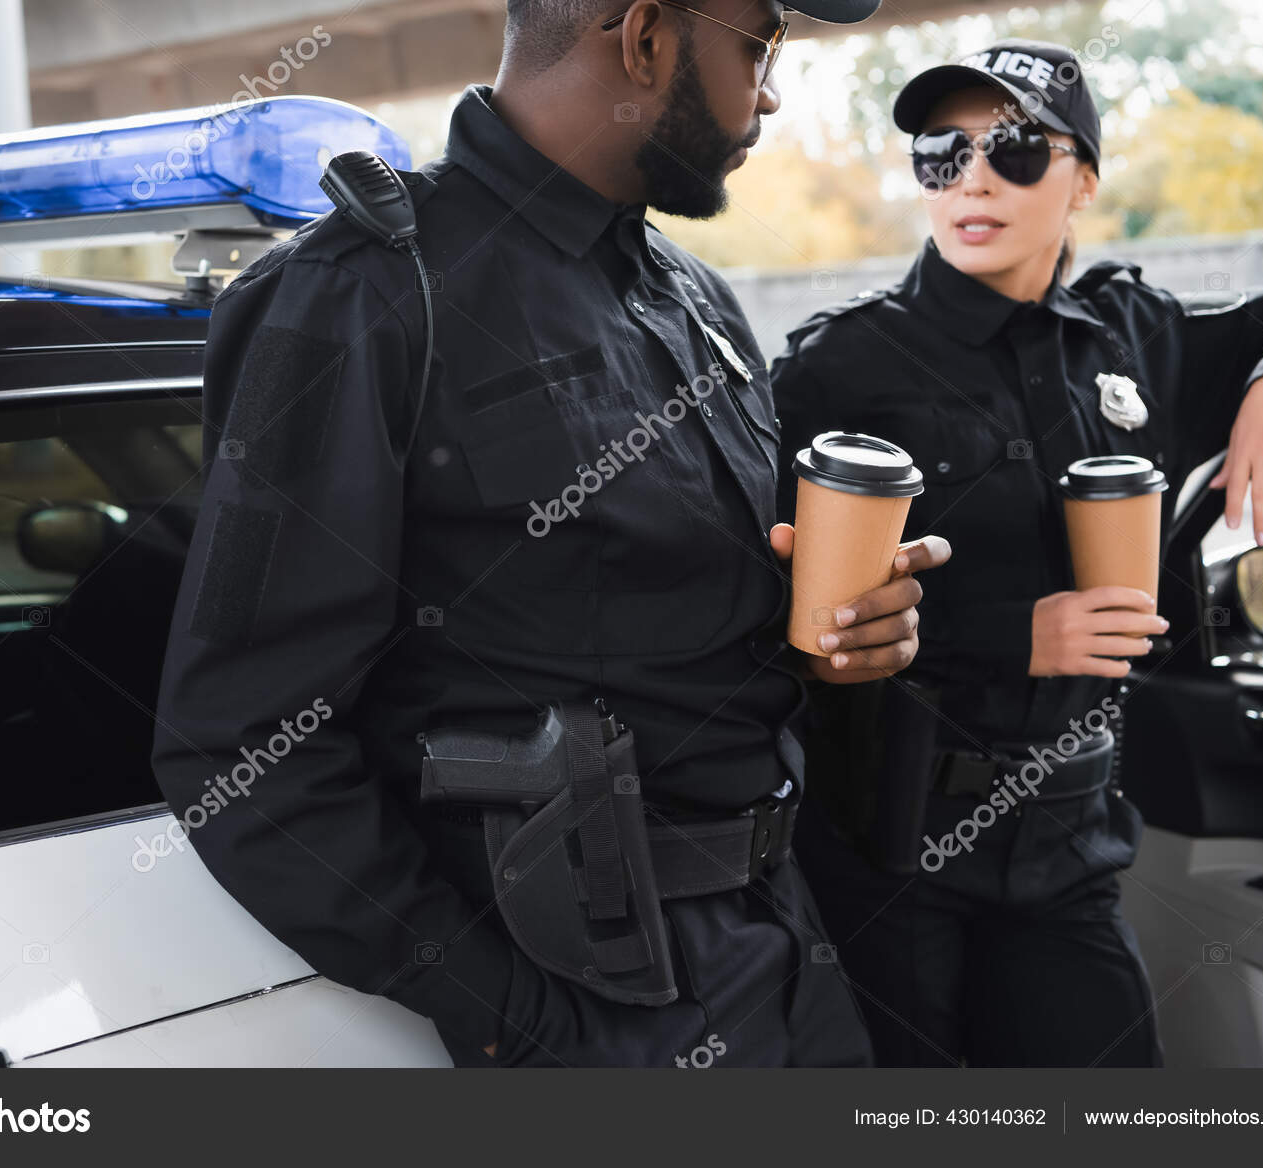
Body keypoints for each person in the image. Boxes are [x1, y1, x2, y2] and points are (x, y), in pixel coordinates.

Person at [153, 0, 951, 1068]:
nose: (769, 91)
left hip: (785, 947)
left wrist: (853, 640)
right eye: (760, 46)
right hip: (593, 999)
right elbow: (239, 744)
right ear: (645, 39)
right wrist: (513, 1019)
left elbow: (715, 634)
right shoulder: (369, 292)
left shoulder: (695, 297)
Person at [771, 39, 1263, 1067]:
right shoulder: (837, 369)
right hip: (886, 861)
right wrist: (1006, 633)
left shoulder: (1137, 339)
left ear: (1083, 178)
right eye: (941, 153)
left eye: (1016, 149)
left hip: (1069, 854)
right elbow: (780, 613)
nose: (973, 177)